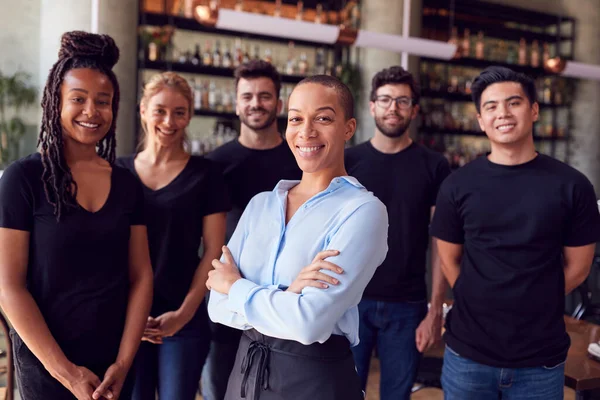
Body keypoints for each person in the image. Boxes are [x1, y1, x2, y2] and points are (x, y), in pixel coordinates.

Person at [206, 75, 389, 400]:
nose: (306, 131)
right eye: (296, 119)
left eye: (323, 118)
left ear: (348, 128)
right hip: (246, 374)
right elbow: (216, 306)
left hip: (315, 380)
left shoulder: (363, 211)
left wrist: (237, 287)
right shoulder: (261, 204)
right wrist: (288, 294)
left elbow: (308, 324)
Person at [430, 66, 600, 399]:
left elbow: (579, 267)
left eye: (514, 103)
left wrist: (536, 294)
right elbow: (449, 257)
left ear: (534, 110)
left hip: (540, 359)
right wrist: (477, 293)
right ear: (480, 120)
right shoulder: (457, 185)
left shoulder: (572, 185)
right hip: (468, 354)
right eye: (491, 106)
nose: (503, 113)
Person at [0, 31, 153, 400]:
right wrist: (68, 375)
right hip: (47, 363)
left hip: (114, 366)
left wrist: (124, 361)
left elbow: (141, 276)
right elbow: (8, 286)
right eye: (78, 99)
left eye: (104, 101)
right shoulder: (23, 179)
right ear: (55, 103)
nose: (91, 111)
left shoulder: (127, 183)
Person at [116, 72, 230, 399]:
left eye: (179, 112)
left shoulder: (206, 175)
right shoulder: (117, 172)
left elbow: (212, 251)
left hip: (184, 319)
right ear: (142, 111)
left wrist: (183, 314)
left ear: (189, 116)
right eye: (160, 110)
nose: (169, 121)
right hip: (124, 320)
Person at [345, 66, 450, 399]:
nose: (393, 108)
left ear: (414, 110)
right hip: (351, 300)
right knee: (344, 392)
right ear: (372, 105)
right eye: (386, 100)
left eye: (402, 101)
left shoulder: (434, 166)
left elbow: (441, 241)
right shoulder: (348, 161)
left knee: (397, 395)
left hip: (408, 303)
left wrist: (435, 309)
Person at [202, 60, 301, 399]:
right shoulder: (214, 164)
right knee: (219, 390)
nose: (255, 103)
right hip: (226, 297)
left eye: (264, 96)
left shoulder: (300, 160)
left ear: (279, 103)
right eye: (247, 96)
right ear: (236, 103)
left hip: (286, 296)